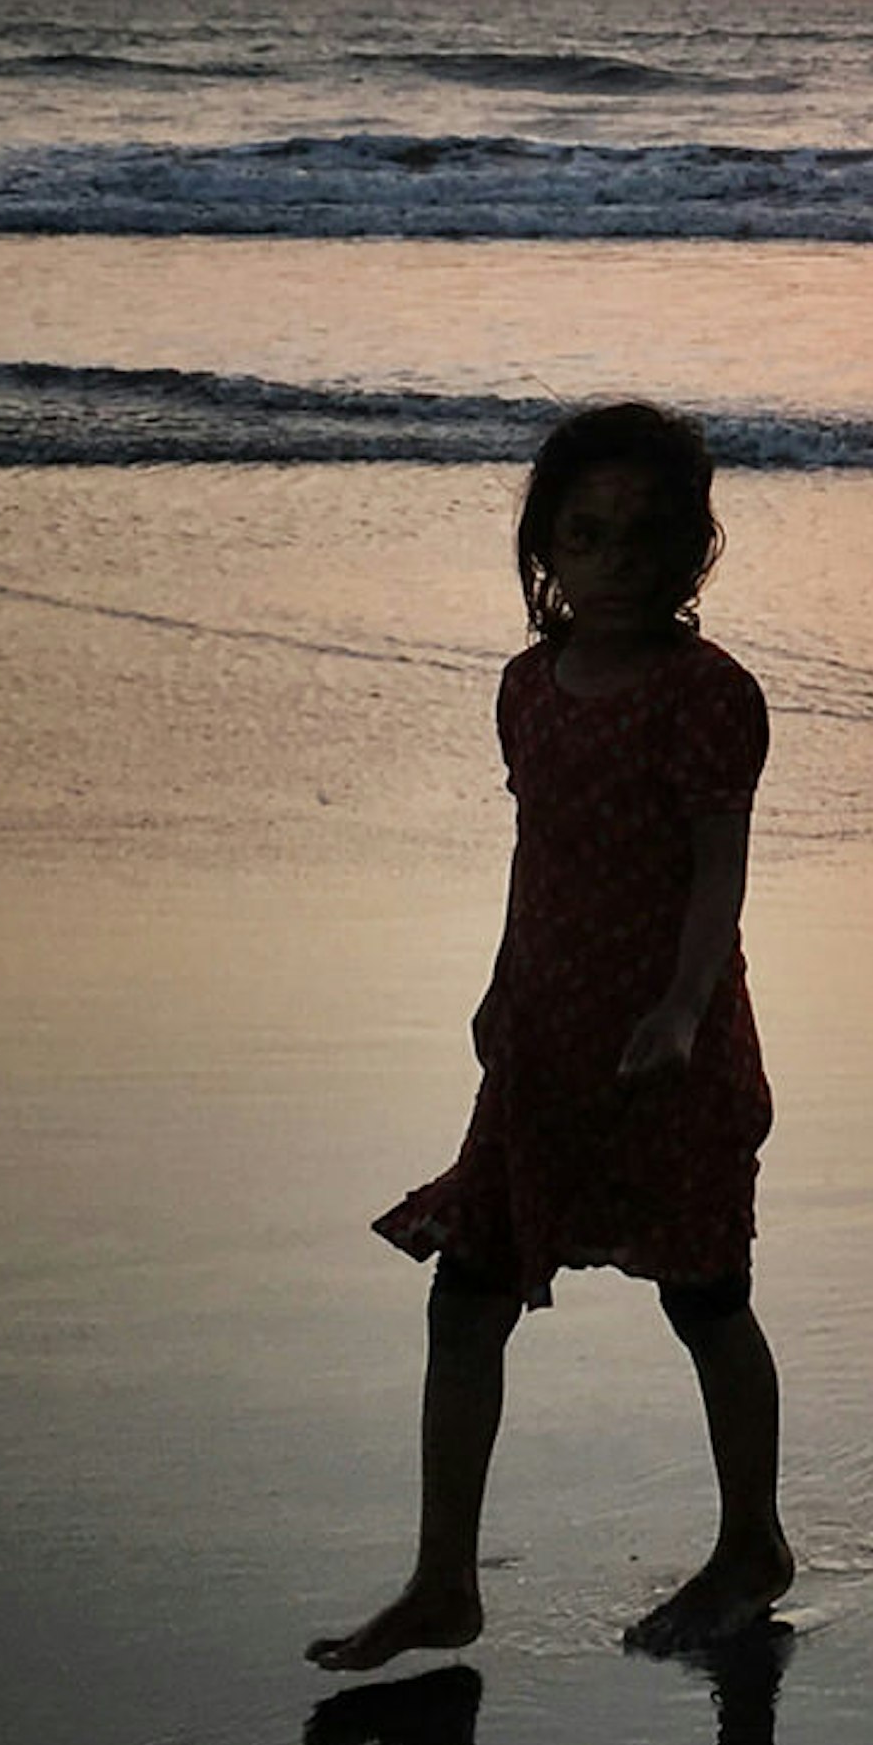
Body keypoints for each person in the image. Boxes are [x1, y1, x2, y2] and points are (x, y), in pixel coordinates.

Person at [310, 403, 794, 1670]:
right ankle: (441, 1580)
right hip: (544, 1037)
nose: (614, 561)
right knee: (467, 1291)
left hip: (668, 1048)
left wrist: (685, 1007)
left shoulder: (709, 695)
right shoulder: (528, 687)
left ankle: (753, 1541)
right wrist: (496, 986)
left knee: (705, 1297)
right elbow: (540, 854)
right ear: (545, 551)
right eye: (586, 535)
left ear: (693, 551)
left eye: (645, 538)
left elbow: (716, 874)